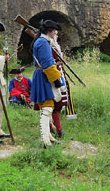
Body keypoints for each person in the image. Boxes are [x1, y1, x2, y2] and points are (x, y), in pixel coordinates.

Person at [30, 19, 62, 148]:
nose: (55, 33)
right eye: (54, 31)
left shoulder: (41, 41)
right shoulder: (43, 42)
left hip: (43, 74)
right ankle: (45, 140)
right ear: (50, 31)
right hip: (45, 75)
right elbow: (48, 64)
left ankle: (48, 136)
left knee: (46, 107)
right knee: (47, 108)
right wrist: (57, 80)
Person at [49, 30, 68, 138]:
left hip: (58, 73)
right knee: (51, 104)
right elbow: (48, 63)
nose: (56, 36)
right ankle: (51, 128)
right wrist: (57, 64)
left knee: (58, 105)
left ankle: (58, 129)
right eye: (55, 34)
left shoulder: (54, 47)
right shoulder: (48, 47)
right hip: (52, 76)